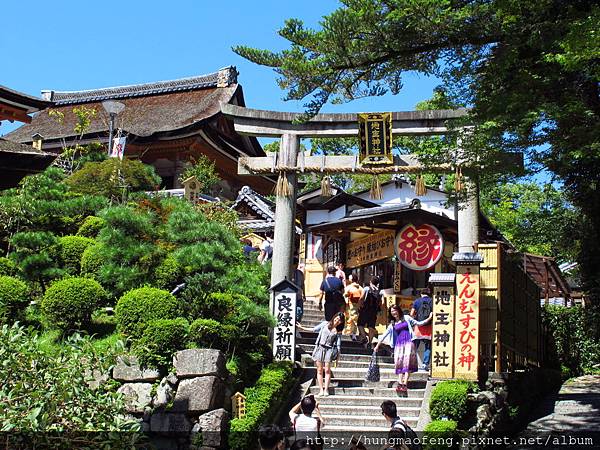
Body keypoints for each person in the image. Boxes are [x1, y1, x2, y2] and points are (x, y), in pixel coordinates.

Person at [375, 304, 432, 393]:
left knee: (407, 362)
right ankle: (399, 382)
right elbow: (384, 334)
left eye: (395, 310)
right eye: (392, 311)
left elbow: (419, 323)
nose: (394, 313)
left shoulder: (406, 318)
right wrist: (377, 345)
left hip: (409, 342)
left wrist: (429, 318)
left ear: (398, 310)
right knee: (399, 363)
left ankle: (404, 383)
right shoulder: (392, 323)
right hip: (399, 344)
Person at [298, 312, 345, 397]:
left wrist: (337, 358)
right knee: (319, 370)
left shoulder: (338, 331)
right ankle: (321, 389)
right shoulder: (325, 324)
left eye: (339, 320)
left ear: (341, 322)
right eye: (337, 318)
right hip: (320, 348)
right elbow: (314, 329)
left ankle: (326, 389)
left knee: (327, 370)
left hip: (329, 350)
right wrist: (302, 328)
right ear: (334, 317)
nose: (337, 320)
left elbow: (338, 346)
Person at [357, 276, 383, 348]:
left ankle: (365, 338)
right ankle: (370, 342)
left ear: (370, 282)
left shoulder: (366, 288)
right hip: (374, 311)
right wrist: (379, 310)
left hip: (365, 310)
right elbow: (381, 303)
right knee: (371, 327)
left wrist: (359, 306)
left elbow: (361, 298)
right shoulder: (380, 291)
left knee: (360, 324)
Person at [410, 288, 433, 371]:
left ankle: (411, 362)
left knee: (414, 346)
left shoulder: (417, 301)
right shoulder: (432, 301)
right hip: (428, 327)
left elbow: (412, 313)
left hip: (418, 327)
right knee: (428, 346)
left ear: (421, 294)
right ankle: (425, 364)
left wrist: (414, 321)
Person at [343, 273, 363, 341]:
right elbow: (363, 297)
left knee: (349, 319)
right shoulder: (360, 288)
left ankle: (348, 332)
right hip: (358, 306)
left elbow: (345, 296)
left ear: (351, 279)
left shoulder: (348, 287)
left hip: (350, 305)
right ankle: (354, 333)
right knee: (355, 319)